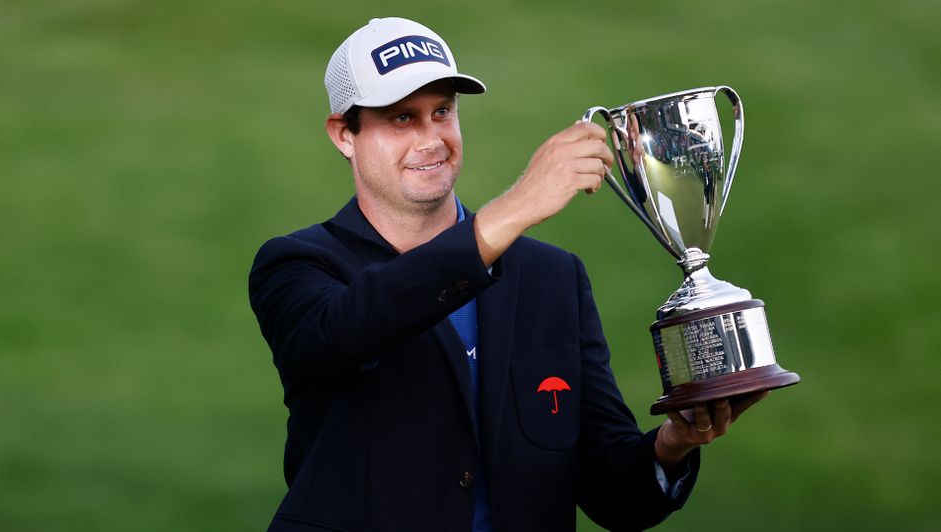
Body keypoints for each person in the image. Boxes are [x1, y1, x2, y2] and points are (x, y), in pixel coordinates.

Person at [249, 17, 766, 532]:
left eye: (442, 112)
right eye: (402, 118)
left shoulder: (552, 278)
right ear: (344, 134)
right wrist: (518, 205)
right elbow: (346, 330)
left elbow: (613, 494)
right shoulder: (297, 266)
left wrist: (673, 444)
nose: (431, 139)